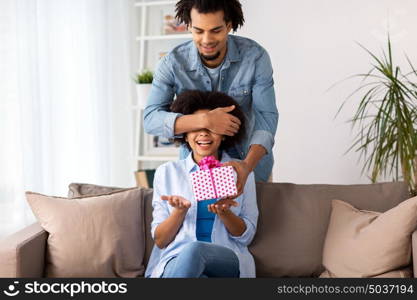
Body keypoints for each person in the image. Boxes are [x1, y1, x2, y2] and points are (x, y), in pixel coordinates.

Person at [143, 0, 278, 197]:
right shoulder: (172, 63)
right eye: (198, 31)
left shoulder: (255, 57)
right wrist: (205, 120)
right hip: (196, 170)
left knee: (251, 226)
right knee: (204, 225)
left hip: (250, 166)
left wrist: (247, 167)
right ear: (188, 25)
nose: (206, 40)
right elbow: (150, 120)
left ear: (229, 25)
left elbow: (267, 117)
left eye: (216, 30)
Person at [144, 90, 258, 278]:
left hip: (225, 259)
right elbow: (161, 240)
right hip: (175, 260)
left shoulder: (241, 172)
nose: (204, 134)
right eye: (196, 127)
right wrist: (179, 212)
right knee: (195, 268)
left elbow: (246, 236)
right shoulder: (168, 173)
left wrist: (225, 212)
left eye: (212, 128)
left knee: (195, 250)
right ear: (185, 135)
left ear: (224, 134)